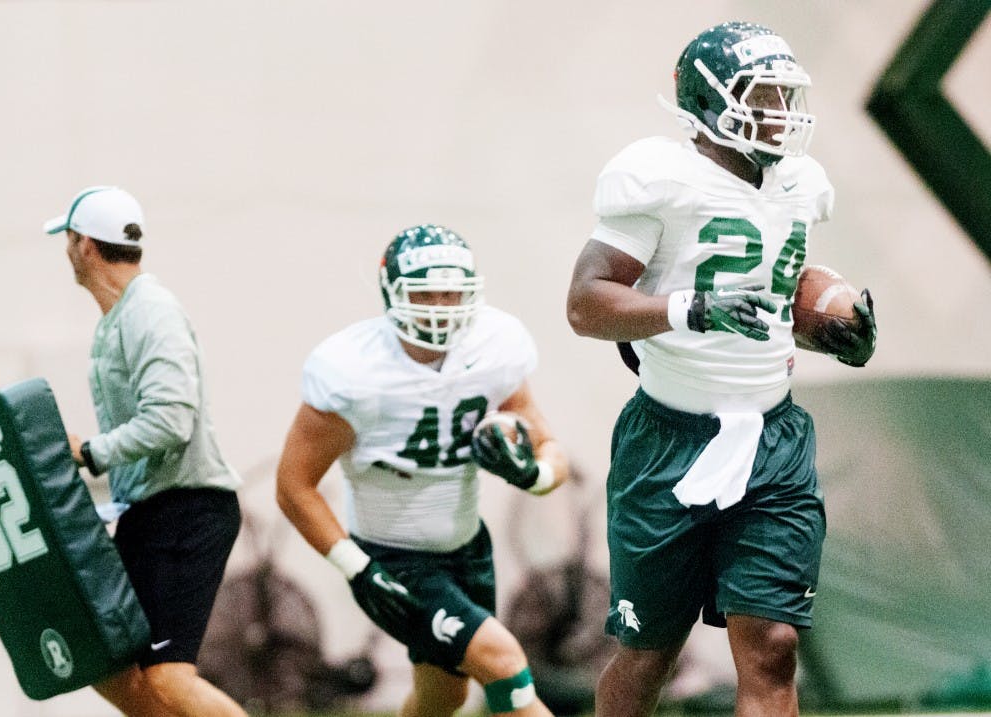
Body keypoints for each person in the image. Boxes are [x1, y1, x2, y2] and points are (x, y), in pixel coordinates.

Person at [566, 21, 877, 717]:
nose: (777, 111)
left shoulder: (798, 182)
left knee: (772, 644)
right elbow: (587, 305)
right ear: (707, 102)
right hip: (668, 440)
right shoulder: (662, 177)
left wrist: (834, 325)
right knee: (649, 653)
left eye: (783, 94)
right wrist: (691, 309)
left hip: (774, 439)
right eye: (760, 94)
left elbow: (777, 288)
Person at [276, 223, 569, 717]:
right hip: (394, 560)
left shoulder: (495, 344)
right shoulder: (354, 371)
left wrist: (533, 475)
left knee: (443, 697)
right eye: (424, 291)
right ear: (391, 291)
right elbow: (293, 486)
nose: (438, 304)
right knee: (503, 664)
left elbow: (547, 445)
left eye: (451, 291)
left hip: (467, 550)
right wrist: (357, 567)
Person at [44, 186, 247, 717]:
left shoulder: (150, 310)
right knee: (111, 668)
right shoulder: (120, 318)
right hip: (153, 510)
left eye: (66, 240)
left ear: (83, 244)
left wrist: (89, 452)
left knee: (169, 678)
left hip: (188, 510)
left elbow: (170, 419)